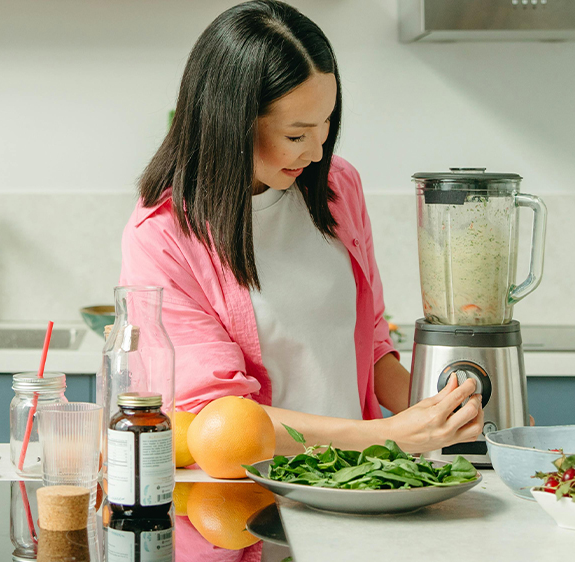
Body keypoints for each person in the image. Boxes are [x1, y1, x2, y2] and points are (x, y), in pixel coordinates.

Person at [120, 0, 484, 456]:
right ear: (230, 125)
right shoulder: (162, 235)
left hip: (360, 481)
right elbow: (222, 416)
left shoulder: (337, 187)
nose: (316, 151)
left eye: (326, 125)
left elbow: (371, 341)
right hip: (256, 494)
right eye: (296, 135)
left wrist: (448, 415)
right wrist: (391, 436)